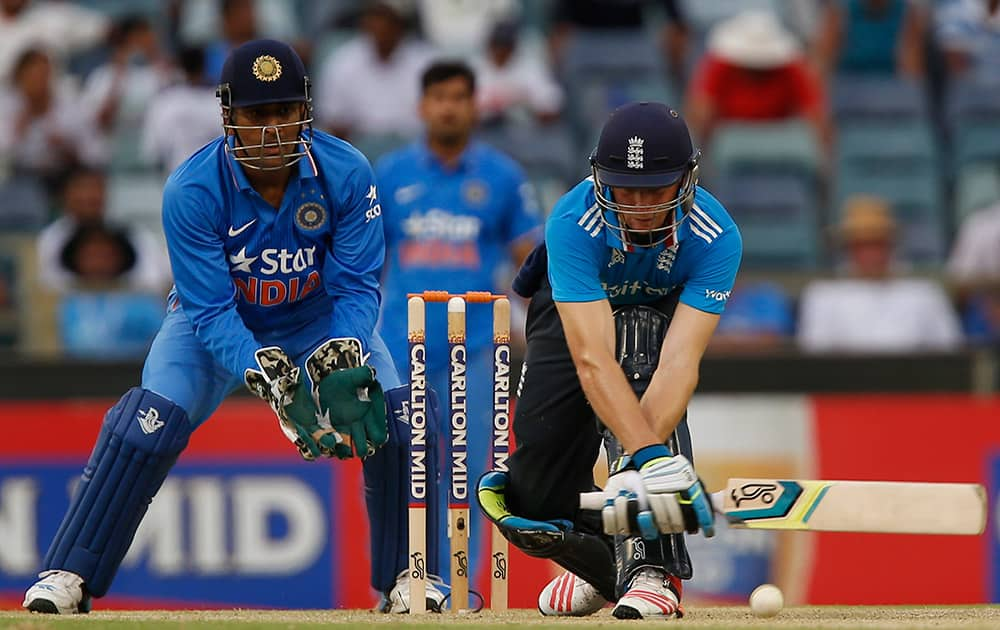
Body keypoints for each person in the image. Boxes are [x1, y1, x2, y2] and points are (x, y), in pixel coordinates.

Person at [21, 39, 429, 615]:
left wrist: (343, 349)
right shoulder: (191, 189)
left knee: (398, 417)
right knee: (146, 425)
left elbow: (359, 284)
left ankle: (407, 581)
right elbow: (208, 309)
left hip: (318, 319)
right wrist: (261, 369)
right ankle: (69, 575)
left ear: (305, 109)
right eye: (257, 115)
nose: (272, 130)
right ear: (229, 116)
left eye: (285, 112)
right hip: (211, 328)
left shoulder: (347, 170)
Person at [475, 101, 742, 620]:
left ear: (687, 179)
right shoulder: (574, 222)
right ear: (600, 177)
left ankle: (652, 570)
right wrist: (646, 459)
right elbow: (592, 358)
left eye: (656, 188)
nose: (639, 204)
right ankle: (609, 566)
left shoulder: (716, 237)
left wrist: (640, 459)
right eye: (625, 187)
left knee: (640, 333)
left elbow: (680, 363)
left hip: (656, 318)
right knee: (532, 504)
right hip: (576, 309)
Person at [375, 60, 542, 604]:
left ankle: (463, 590)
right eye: (438, 97)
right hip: (400, 348)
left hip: (474, 353)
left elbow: (531, 262)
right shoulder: (390, 174)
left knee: (472, 474)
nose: (448, 107)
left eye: (459, 97)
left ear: (475, 106)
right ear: (422, 106)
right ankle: (406, 588)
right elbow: (359, 264)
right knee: (405, 470)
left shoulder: (502, 176)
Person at [797, 195, 963, 353]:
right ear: (848, 249)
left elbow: (950, 354)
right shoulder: (822, 297)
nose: (871, 254)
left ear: (892, 246)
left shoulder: (926, 295)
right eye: (861, 245)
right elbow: (815, 360)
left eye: (878, 244)